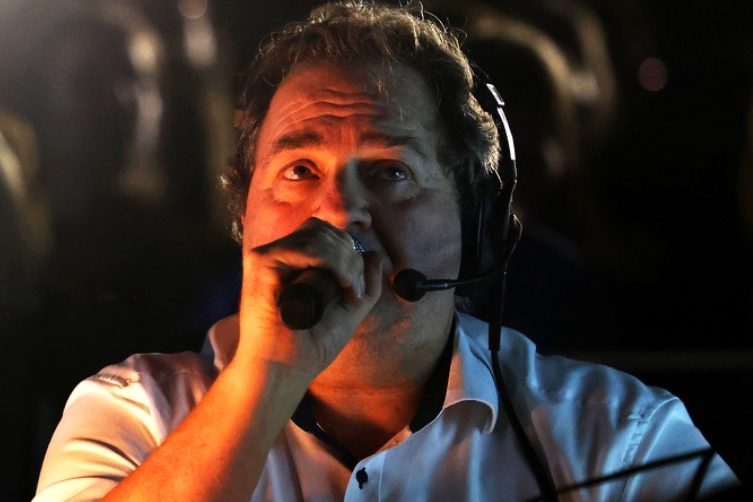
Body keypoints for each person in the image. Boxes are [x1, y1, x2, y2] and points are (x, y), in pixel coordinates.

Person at [34, 2, 739, 500]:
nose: (342, 213)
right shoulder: (132, 416)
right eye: (299, 170)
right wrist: (267, 378)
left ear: (473, 214)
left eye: (390, 172)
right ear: (244, 215)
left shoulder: (623, 439)